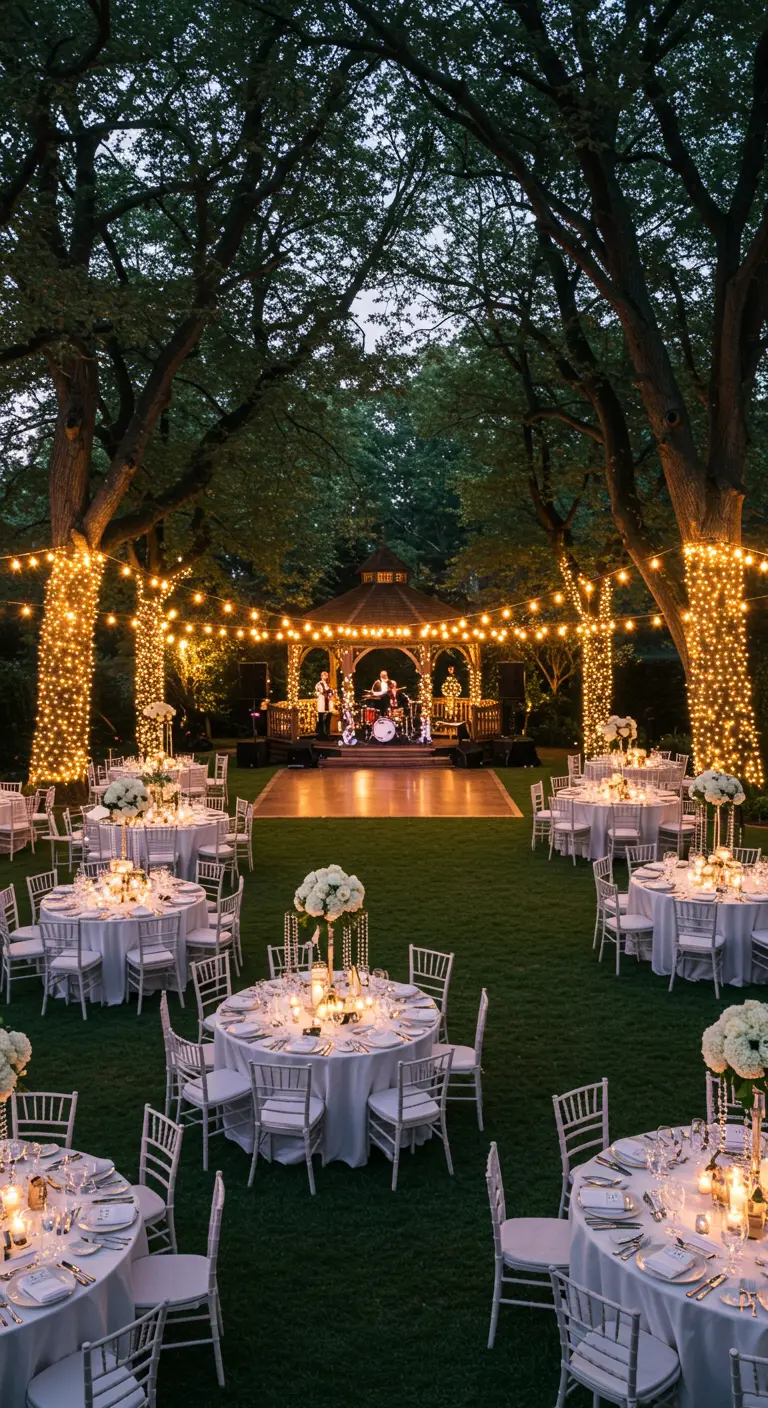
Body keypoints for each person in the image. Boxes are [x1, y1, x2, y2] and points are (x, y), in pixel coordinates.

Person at [314, 670, 334, 738]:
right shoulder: (319, 684)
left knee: (328, 719)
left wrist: (330, 694)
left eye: (326, 675)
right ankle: (321, 733)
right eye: (324, 675)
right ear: (321, 676)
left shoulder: (329, 685)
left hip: (328, 703)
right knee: (321, 718)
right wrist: (322, 694)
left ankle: (327, 732)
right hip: (322, 702)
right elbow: (317, 692)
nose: (326, 676)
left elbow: (331, 692)